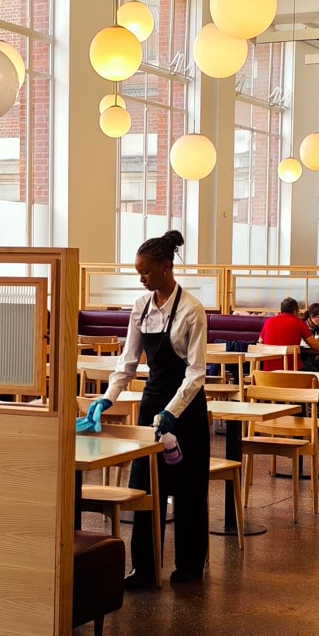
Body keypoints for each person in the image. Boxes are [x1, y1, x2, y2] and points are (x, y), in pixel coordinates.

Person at [88, 229, 210, 589]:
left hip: (185, 409)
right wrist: (107, 398)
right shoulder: (141, 307)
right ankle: (143, 568)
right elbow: (127, 362)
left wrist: (173, 411)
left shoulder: (191, 311)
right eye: (138, 272)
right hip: (152, 404)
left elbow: (196, 372)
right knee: (145, 487)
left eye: (145, 271)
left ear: (166, 267)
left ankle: (189, 568)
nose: (141, 278)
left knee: (188, 490)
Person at [259, 294, 319, 363]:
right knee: (317, 368)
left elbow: (260, 342)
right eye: (298, 312)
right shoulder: (299, 323)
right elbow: (317, 347)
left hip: (268, 368)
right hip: (292, 367)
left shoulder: (268, 321)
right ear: (295, 312)